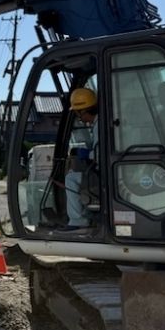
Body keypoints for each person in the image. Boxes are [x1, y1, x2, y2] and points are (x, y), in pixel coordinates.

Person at [64, 87, 99, 229]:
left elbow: (100, 155)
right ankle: (87, 214)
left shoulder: (99, 126)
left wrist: (85, 154)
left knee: (71, 179)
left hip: (104, 174)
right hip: (103, 171)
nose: (79, 117)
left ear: (84, 110)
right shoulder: (98, 123)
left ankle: (78, 221)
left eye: (78, 113)